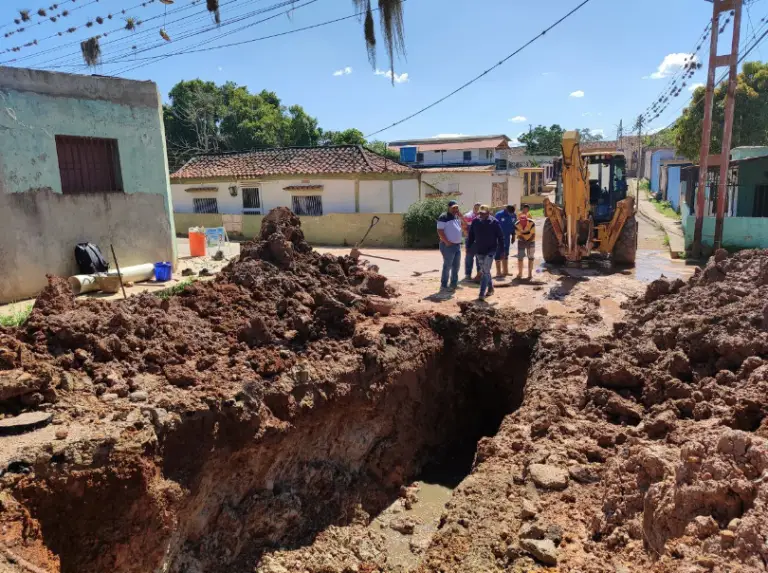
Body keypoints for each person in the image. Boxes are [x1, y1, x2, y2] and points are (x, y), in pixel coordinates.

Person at [467, 204, 504, 301]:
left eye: (483, 213)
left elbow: (500, 237)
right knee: (485, 270)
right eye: (480, 213)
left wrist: (502, 251)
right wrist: (469, 247)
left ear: (488, 213)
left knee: (485, 271)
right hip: (479, 250)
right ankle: (491, 288)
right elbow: (471, 235)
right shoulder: (475, 221)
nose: (481, 215)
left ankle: (481, 293)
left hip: (491, 250)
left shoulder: (494, 222)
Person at [436, 200, 463, 292]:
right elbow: (440, 231)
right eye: (453, 207)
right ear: (449, 207)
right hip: (447, 246)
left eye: (456, 207)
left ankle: (454, 284)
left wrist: (461, 216)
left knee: (456, 266)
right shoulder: (443, 217)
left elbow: (463, 226)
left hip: (457, 245)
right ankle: (444, 285)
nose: (455, 209)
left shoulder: (457, 216)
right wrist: (446, 242)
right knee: (447, 266)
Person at [494, 204, 517, 278]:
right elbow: (494, 226)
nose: (511, 214)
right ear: (506, 210)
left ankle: (505, 271)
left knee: (506, 253)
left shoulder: (513, 215)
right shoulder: (498, 215)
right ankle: (498, 272)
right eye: (510, 212)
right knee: (498, 254)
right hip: (498, 238)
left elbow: (514, 226)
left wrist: (513, 236)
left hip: (507, 238)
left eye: (512, 213)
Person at [515, 204, 536, 280]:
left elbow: (533, 235)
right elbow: (519, 235)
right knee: (520, 257)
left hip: (531, 240)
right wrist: (524, 241)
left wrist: (528, 242)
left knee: (531, 257)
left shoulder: (532, 223)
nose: (523, 226)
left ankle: (530, 274)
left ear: (527, 220)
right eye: (521, 223)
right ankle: (520, 273)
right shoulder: (517, 224)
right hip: (521, 241)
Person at [462, 202, 482, 281]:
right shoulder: (468, 216)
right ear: (474, 207)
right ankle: (468, 275)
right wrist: (468, 236)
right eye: (476, 207)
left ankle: (479, 275)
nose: (477, 209)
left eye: (479, 208)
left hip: (480, 241)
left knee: (479, 258)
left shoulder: (483, 216)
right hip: (471, 240)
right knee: (469, 257)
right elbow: (463, 227)